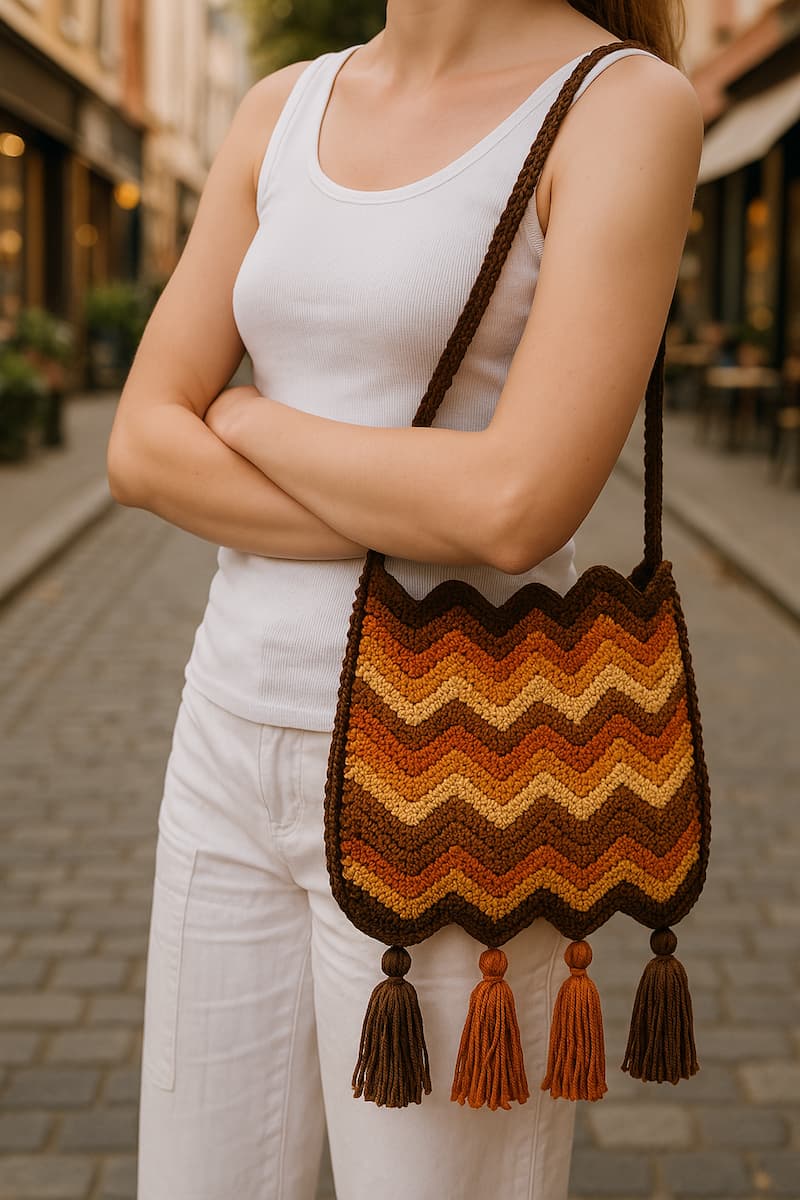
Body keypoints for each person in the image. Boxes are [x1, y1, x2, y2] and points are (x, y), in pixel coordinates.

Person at [106, 1, 702, 1196]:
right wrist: (417, 498)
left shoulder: (620, 105)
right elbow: (137, 447)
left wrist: (247, 417)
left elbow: (514, 506)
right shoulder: (280, 110)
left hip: (464, 756)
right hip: (226, 738)